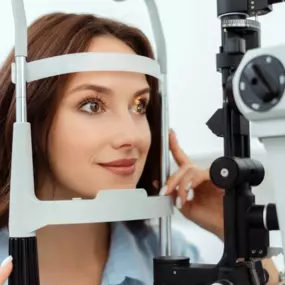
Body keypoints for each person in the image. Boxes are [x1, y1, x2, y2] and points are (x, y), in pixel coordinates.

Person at [0, 12, 280, 285]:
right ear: (32, 120)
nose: (132, 136)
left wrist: (232, 229)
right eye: (92, 105)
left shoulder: (168, 257)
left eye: (139, 106)